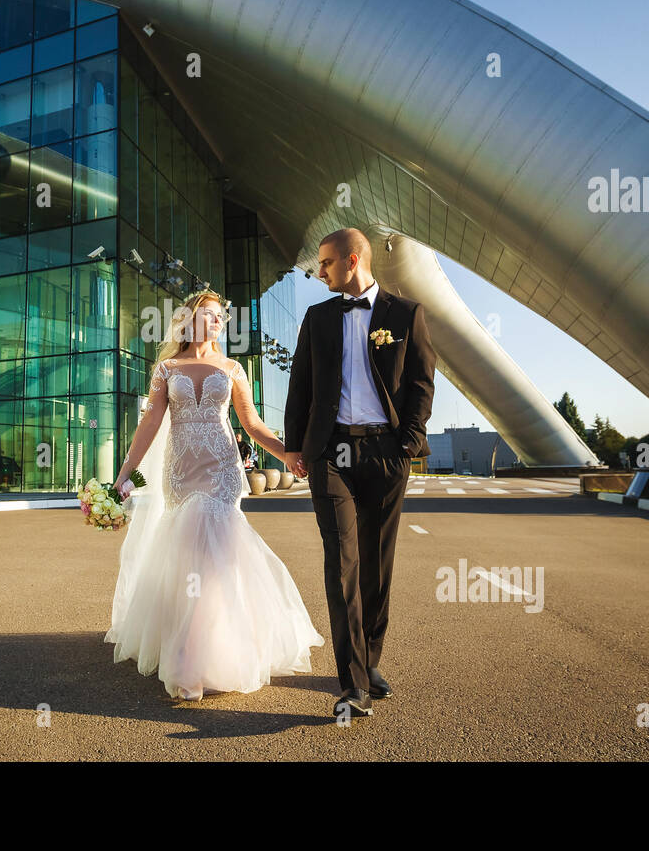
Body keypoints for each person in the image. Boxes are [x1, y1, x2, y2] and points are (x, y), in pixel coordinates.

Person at [106, 291, 324, 702]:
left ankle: (193, 657)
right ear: (189, 320)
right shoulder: (168, 369)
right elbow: (150, 423)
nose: (219, 320)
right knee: (191, 556)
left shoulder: (232, 368)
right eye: (210, 314)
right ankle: (190, 645)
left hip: (223, 471)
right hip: (181, 472)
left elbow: (253, 424)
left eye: (221, 315)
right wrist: (125, 475)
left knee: (214, 557)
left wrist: (290, 455)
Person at [284, 227, 436, 718]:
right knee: (342, 562)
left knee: (376, 562)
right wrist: (295, 448)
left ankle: (369, 661)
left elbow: (421, 382)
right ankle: (351, 684)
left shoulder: (407, 314)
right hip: (333, 454)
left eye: (325, 263)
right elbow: (300, 386)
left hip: (386, 452)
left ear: (353, 261)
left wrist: (409, 441)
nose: (319, 272)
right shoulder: (316, 317)